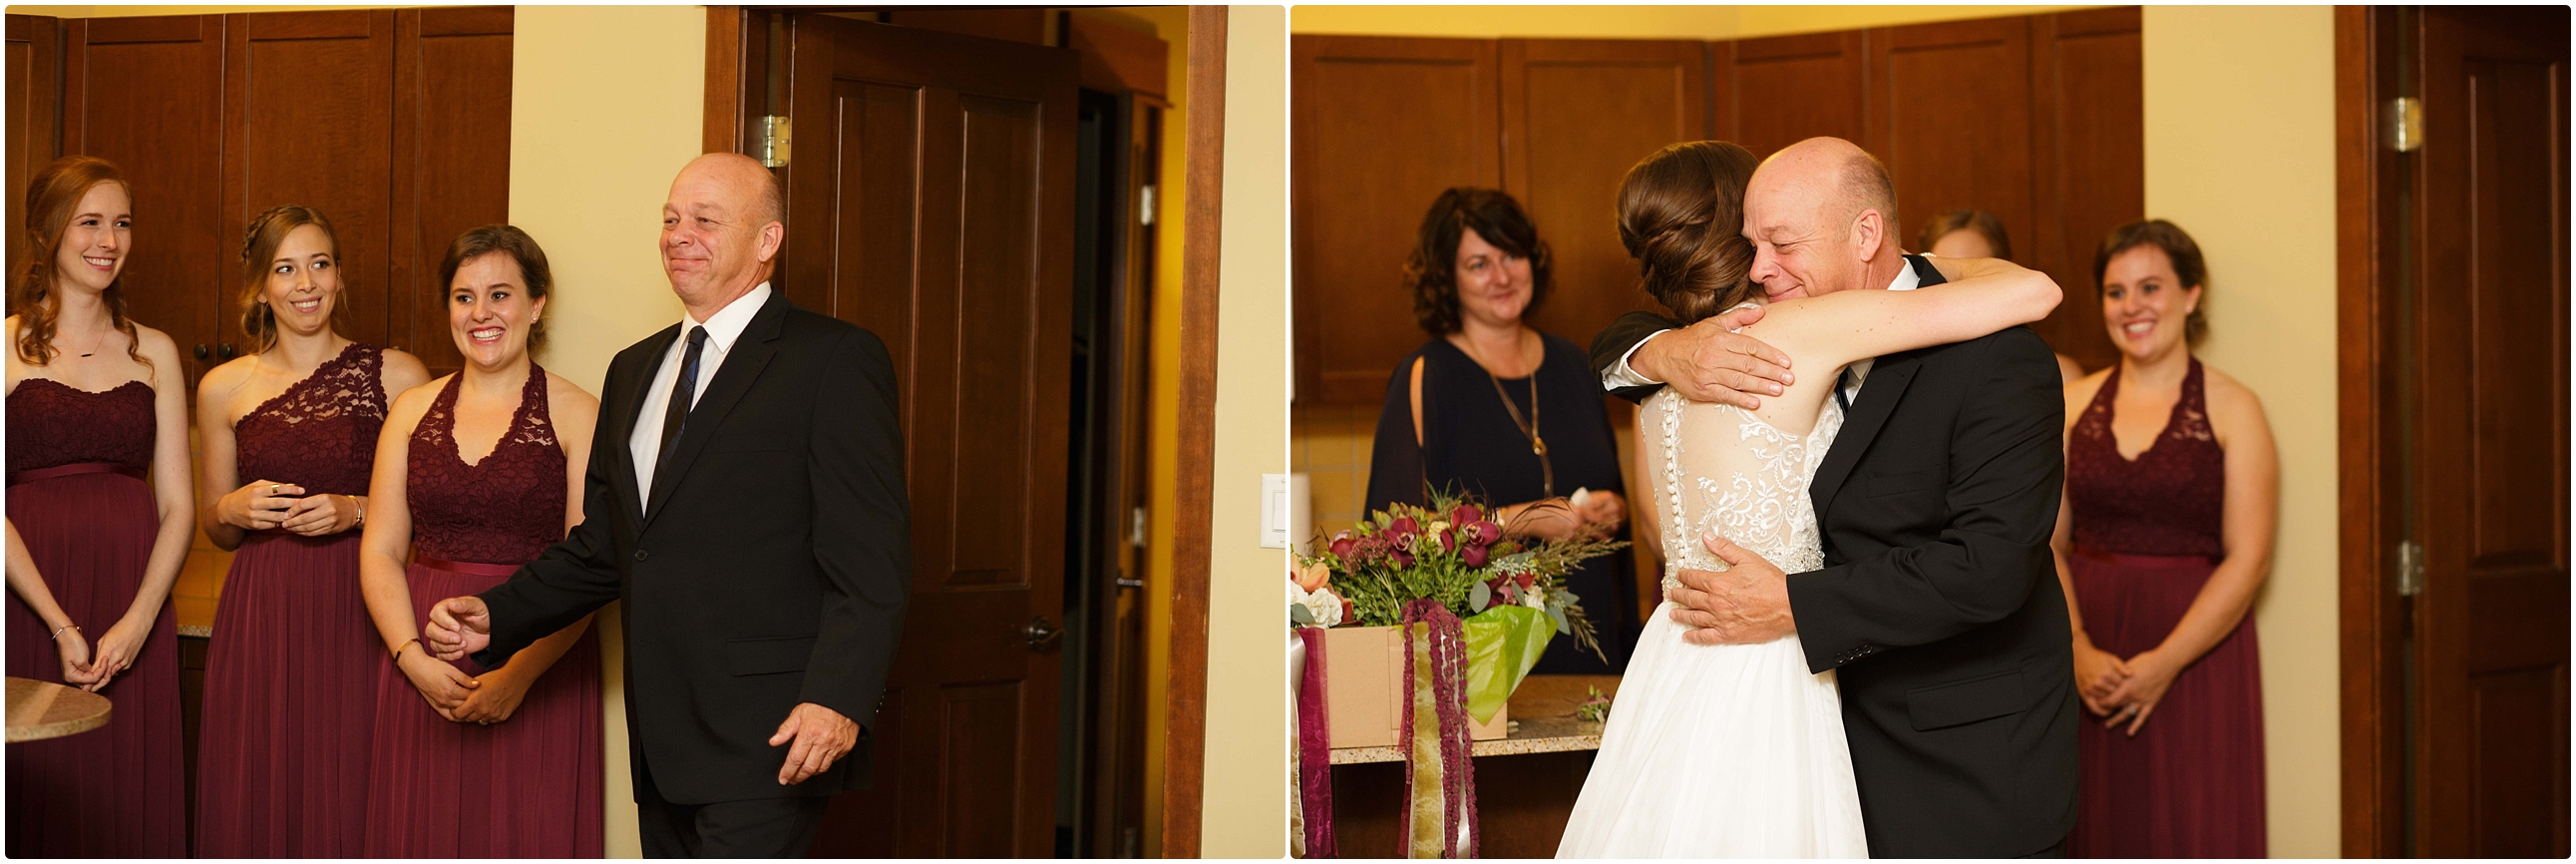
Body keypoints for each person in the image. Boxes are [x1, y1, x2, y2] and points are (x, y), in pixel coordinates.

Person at [1559, 141, 2062, 857]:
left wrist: (1795, 604)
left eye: (1782, 243)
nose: (1761, 268)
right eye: (1751, 244)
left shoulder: (1993, 355)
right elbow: (1619, 342)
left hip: (1954, 758)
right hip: (1798, 722)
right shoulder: (1728, 344)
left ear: (1863, 233)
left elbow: (1991, 565)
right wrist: (1658, 348)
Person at [422, 153, 911, 857]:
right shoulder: (634, 368)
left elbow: (871, 564)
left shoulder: (833, 359)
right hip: (662, 741)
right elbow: (609, 546)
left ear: (766, 240)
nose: (680, 235)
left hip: (777, 732)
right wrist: (498, 615)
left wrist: (838, 698)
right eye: (671, 218)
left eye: (705, 220)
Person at [357, 225, 605, 856]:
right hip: (424, 654)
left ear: (537, 304)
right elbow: (381, 550)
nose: (481, 314)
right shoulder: (409, 411)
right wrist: (412, 660)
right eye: (464, 297)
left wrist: (516, 677)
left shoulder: (579, 413)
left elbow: (590, 566)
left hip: (540, 659)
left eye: (500, 295)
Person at [193, 206, 433, 856]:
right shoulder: (221, 388)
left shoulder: (399, 375)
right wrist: (232, 508)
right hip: (261, 609)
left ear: (339, 275)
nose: (305, 284)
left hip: (362, 601)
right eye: (285, 268)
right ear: (259, 288)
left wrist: (356, 509)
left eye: (319, 264)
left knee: (356, 776)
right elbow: (215, 527)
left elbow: (430, 513)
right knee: (261, 778)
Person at [2055, 219, 2274, 858]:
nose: (2132, 306)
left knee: (2195, 822)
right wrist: (2077, 648)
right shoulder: (2071, 406)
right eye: (2116, 291)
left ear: (2191, 294)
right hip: (2089, 642)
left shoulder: (2236, 408)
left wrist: (2166, 662)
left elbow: (2250, 558)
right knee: (2101, 823)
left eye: (2150, 287)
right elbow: (2045, 543)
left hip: (2197, 652)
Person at [2, 156, 191, 857]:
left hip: (133, 600)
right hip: (26, 599)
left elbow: (179, 507)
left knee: (123, 798)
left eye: (122, 223)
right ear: (47, 231)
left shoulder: (157, 352)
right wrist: (57, 623)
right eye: (89, 222)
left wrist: (139, 622)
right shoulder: (2, 348)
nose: (108, 241)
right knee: (36, 785)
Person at [1363, 187, 1635, 673]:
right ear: (1447, 278)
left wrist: (1612, 510)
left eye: (1512, 255)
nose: (1503, 276)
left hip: (1590, 647)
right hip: (1484, 657)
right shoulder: (1426, 376)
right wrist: (1524, 519)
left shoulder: (1576, 365)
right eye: (1479, 264)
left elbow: (1611, 497)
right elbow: (1392, 537)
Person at [1920, 209, 2084, 383]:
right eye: (1944, 273)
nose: (1957, 290)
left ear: (2005, 274)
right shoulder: (1911, 374)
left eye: (1973, 272)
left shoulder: (2054, 373)